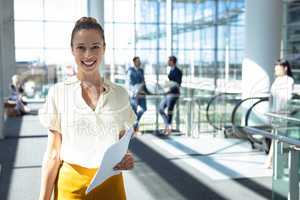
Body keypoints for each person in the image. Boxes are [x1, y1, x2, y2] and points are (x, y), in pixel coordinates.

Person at [38, 17, 136, 200]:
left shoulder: (120, 94)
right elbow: (52, 154)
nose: (88, 54)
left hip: (110, 183)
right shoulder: (58, 93)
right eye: (81, 47)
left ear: (104, 48)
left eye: (95, 47)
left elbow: (123, 141)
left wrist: (126, 158)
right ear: (72, 50)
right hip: (70, 185)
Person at [265, 59, 294, 168]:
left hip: (283, 114)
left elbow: (286, 98)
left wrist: (280, 112)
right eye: (275, 69)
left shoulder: (289, 80)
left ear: (285, 68)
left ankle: (270, 161)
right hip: (275, 113)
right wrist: (270, 112)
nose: (276, 71)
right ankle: (277, 161)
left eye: (278, 69)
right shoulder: (277, 81)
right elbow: (272, 98)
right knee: (277, 137)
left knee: (277, 137)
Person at [159, 56, 182, 136]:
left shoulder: (178, 71)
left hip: (174, 94)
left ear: (172, 61)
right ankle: (167, 126)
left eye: (168, 61)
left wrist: (169, 85)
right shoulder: (171, 71)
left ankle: (168, 128)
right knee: (160, 108)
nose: (167, 62)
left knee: (169, 111)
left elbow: (178, 84)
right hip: (169, 93)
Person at [127, 56, 147, 134]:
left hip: (141, 93)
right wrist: (133, 92)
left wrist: (143, 89)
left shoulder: (141, 70)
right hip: (134, 94)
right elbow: (128, 83)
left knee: (143, 108)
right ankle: (134, 129)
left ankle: (136, 123)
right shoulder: (130, 71)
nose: (139, 62)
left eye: (140, 61)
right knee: (134, 111)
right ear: (134, 62)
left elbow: (143, 81)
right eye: (138, 61)